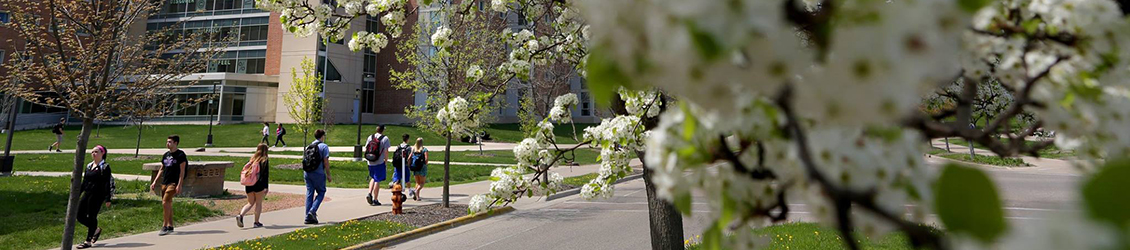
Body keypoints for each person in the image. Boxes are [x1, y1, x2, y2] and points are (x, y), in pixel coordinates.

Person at [76, 145, 115, 249]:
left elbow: (107, 183)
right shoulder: (89, 166)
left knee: (92, 216)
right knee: (79, 215)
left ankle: (88, 241)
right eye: (92, 152)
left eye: (96, 152)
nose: (94, 154)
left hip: (98, 195)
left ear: (103, 153)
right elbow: (85, 181)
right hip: (87, 193)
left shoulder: (105, 167)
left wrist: (108, 198)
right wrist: (78, 194)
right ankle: (96, 229)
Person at [151, 135, 187, 236]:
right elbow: (162, 169)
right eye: (167, 142)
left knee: (165, 202)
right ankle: (170, 226)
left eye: (170, 142)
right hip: (165, 182)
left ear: (176, 143)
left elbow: (182, 171)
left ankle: (165, 225)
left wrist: (179, 184)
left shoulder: (180, 155)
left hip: (173, 182)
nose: (167, 144)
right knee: (168, 204)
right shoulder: (166, 155)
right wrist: (155, 181)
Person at [237, 143, 270, 228]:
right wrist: (266, 187)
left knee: (250, 202)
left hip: (249, 183)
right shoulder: (264, 160)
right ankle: (256, 222)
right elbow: (265, 175)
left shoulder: (252, 159)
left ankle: (241, 215)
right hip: (259, 184)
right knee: (258, 203)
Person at [304, 129, 332, 224]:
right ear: (322, 136)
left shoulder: (308, 146)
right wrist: (328, 174)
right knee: (321, 191)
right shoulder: (324, 147)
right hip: (318, 172)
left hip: (307, 172)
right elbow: (326, 162)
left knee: (309, 192)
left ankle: (307, 216)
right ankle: (312, 211)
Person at [363, 125, 391, 206]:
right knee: (377, 180)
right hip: (379, 162)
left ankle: (369, 193)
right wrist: (385, 161)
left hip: (370, 161)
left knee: (373, 177)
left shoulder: (370, 137)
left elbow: (366, 148)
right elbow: (386, 151)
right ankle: (375, 199)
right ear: (383, 130)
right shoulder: (385, 139)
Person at [389, 134, 414, 199]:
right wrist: (409, 165)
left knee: (397, 178)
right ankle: (409, 190)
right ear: (408, 139)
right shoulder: (408, 147)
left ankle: (395, 191)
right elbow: (409, 157)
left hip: (397, 165)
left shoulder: (398, 146)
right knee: (407, 178)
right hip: (405, 165)